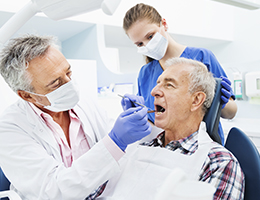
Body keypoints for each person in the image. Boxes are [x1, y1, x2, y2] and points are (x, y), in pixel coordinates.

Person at [0, 34, 151, 200]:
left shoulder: (83, 103)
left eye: (68, 72)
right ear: (27, 96)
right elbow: (54, 191)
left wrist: (129, 123)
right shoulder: (9, 129)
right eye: (55, 83)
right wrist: (116, 140)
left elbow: (119, 155)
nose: (69, 84)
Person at [97, 58, 244, 200]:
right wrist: (115, 143)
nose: (153, 92)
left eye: (169, 85)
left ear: (196, 100)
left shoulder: (219, 162)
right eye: (157, 84)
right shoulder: (135, 147)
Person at [123, 3, 237, 145]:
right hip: (162, 150)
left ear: (163, 24)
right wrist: (137, 116)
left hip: (202, 150)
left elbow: (231, 113)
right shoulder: (145, 74)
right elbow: (152, 121)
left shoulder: (202, 57)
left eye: (151, 36)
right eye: (140, 44)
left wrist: (222, 102)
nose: (147, 45)